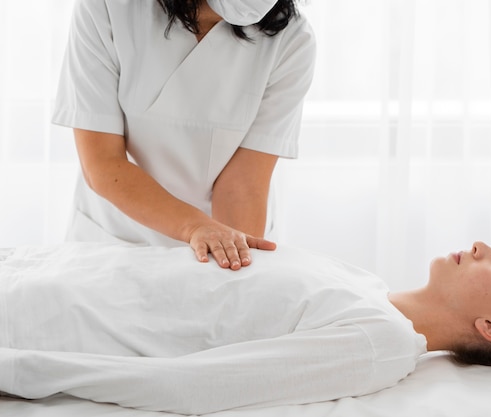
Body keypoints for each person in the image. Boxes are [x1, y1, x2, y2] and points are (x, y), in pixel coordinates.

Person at [0, 241, 491, 414]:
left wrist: (23, 370)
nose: (483, 246)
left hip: (41, 317)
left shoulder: (379, 344)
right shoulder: (362, 280)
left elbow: (191, 385)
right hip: (43, 266)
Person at [52, 0, 316, 269]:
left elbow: (243, 185)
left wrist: (230, 272)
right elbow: (103, 162)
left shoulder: (292, 39)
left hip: (216, 248)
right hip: (114, 242)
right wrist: (196, 228)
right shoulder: (109, 7)